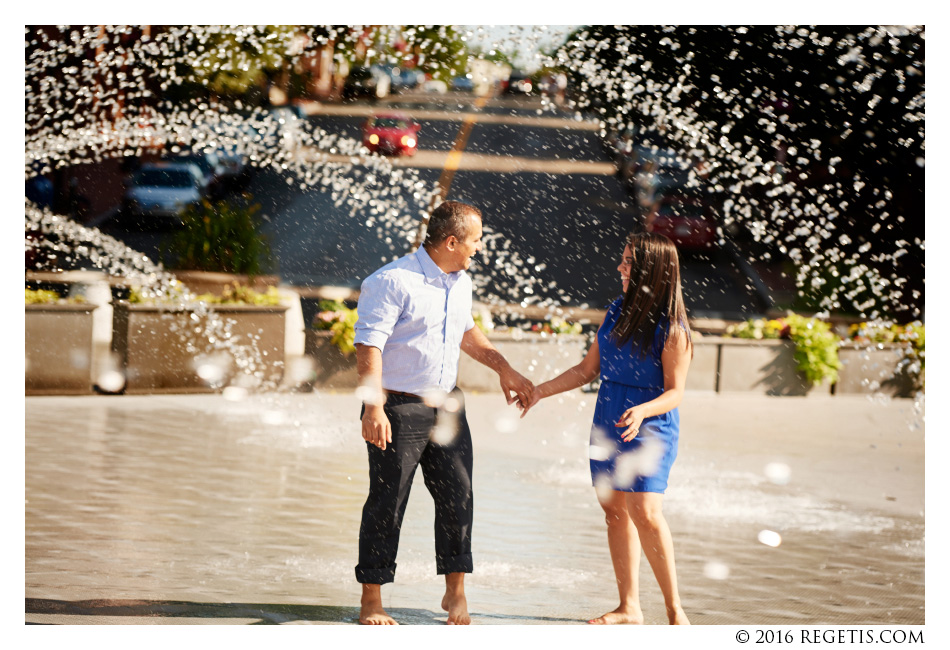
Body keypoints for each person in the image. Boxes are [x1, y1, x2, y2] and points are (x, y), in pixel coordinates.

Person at [353, 200, 534, 625]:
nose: (479, 248)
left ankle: (455, 593)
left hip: (447, 405)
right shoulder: (392, 281)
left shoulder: (459, 280)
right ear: (452, 241)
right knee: (387, 502)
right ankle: (372, 600)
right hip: (397, 407)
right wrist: (373, 405)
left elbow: (466, 331)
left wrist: (503, 368)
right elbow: (369, 346)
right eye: (475, 240)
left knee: (459, 496)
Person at [523, 231, 692, 625]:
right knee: (614, 510)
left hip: (648, 424)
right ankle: (629, 607)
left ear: (652, 269)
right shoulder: (616, 310)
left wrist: (642, 411)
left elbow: (675, 392)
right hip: (609, 417)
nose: (621, 267)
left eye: (629, 261)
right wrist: (539, 392)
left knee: (646, 511)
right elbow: (587, 370)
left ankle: (674, 610)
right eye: (623, 260)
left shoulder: (674, 329)